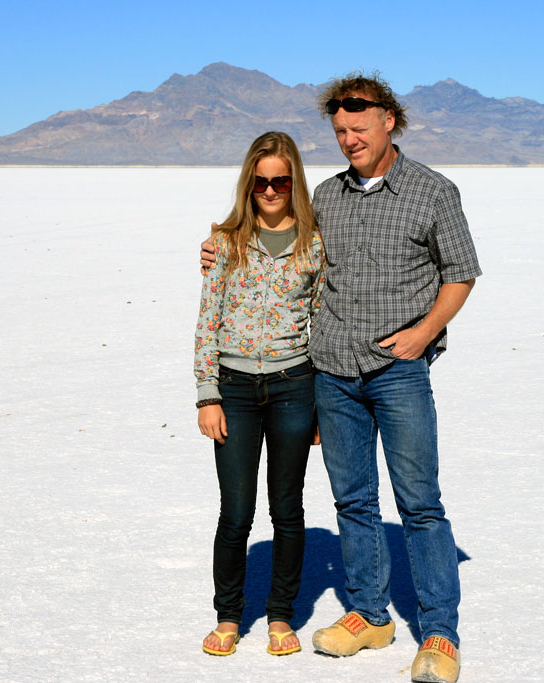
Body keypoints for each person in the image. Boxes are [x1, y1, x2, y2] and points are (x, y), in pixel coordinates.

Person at [201, 73, 480, 683]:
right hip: (331, 374)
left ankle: (438, 630)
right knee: (353, 501)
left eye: (359, 129)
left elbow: (461, 274)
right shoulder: (324, 197)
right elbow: (270, 231)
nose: (350, 140)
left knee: (419, 503)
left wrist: (424, 333)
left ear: (389, 121)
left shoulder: (433, 192)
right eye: (340, 132)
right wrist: (220, 241)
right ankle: (369, 614)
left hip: (399, 371)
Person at [194, 131, 325, 658]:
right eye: (261, 181)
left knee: (287, 510)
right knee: (236, 511)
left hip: (296, 386)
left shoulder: (315, 243)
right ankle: (228, 616)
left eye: (281, 181)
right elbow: (208, 321)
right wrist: (208, 395)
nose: (270, 191)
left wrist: (323, 405)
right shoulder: (224, 243)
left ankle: (279, 615)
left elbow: (320, 320)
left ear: (294, 183)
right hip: (235, 389)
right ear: (250, 183)